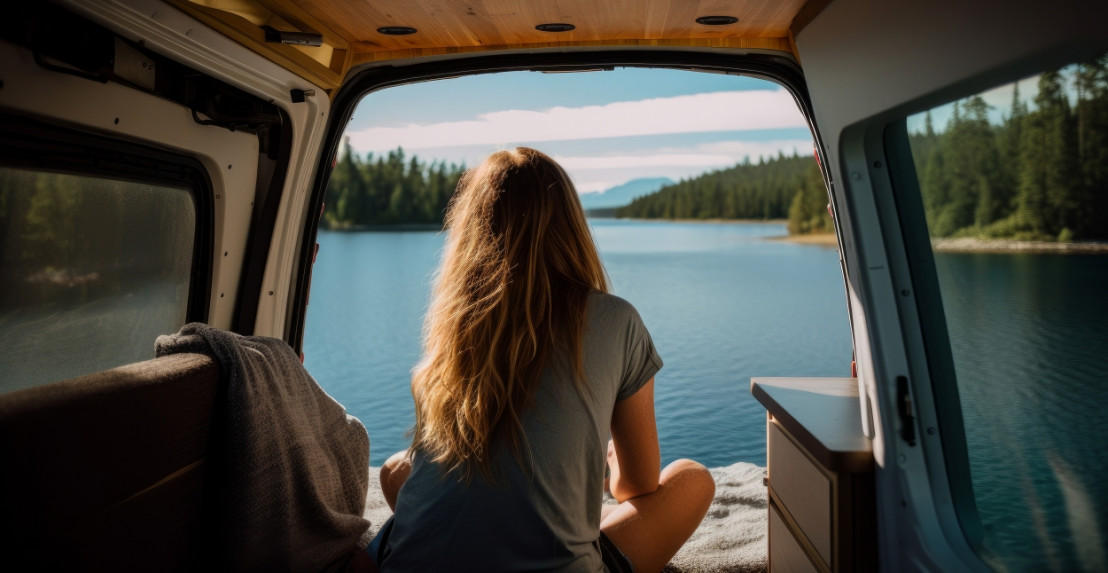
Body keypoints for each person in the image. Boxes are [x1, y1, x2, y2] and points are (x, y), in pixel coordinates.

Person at [369, 147, 714, 573]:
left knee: (392, 470)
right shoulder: (616, 319)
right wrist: (611, 466)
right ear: (570, 226)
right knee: (692, 480)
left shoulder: (454, 329)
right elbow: (638, 486)